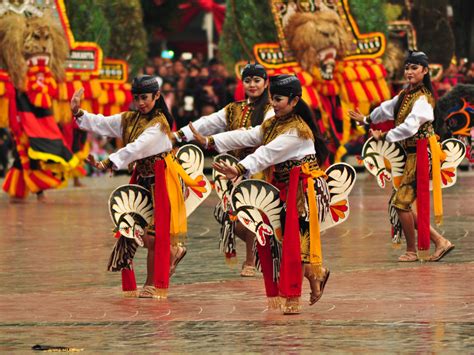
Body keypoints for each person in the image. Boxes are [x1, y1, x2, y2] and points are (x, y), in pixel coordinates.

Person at [193, 74, 331, 314]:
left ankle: (293, 298)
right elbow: (249, 135)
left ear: (294, 100)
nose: (274, 103)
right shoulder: (275, 123)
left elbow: (267, 153)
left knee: (294, 245)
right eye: (272, 98)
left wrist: (238, 168)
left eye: (278, 99)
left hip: (302, 191)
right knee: (282, 242)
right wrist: (210, 140)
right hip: (281, 186)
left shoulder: (297, 131)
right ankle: (318, 274)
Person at [71, 75, 205, 299]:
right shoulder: (129, 119)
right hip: (143, 179)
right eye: (137, 98)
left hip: (165, 181)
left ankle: (151, 283)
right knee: (133, 232)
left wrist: (108, 162)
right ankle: (174, 251)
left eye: (145, 97)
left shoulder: (159, 124)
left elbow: (136, 148)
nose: (140, 102)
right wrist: (78, 113)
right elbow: (103, 123)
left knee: (152, 237)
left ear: (157, 96)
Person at [349, 50, 454, 262]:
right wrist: (367, 119)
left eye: (414, 67)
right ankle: (440, 241)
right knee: (401, 202)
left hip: (422, 154)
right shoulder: (406, 95)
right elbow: (387, 109)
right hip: (412, 155)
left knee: (400, 203)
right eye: (407, 67)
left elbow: (409, 127)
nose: (409, 71)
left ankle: (413, 250)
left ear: (425, 71)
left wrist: (385, 136)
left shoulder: (423, 99)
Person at [174, 63, 274, 277]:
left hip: (260, 167)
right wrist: (178, 136)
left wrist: (212, 141)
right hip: (232, 170)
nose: (252, 85)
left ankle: (250, 260)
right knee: (226, 214)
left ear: (266, 83)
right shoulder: (233, 108)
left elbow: (257, 135)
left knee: (250, 212)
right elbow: (207, 122)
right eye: (248, 81)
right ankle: (262, 248)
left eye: (257, 80)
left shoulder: (271, 109)